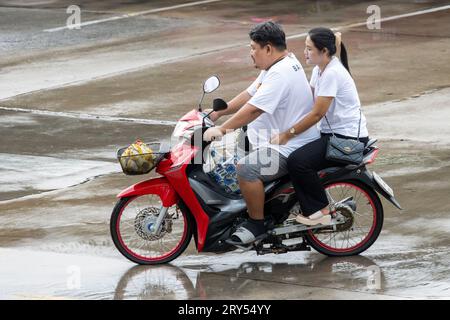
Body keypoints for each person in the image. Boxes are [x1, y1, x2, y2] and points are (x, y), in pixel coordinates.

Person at [203, 21, 319, 244]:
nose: (251, 53)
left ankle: (258, 223)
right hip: (274, 139)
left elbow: (254, 109)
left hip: (288, 147)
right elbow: (250, 95)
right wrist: (218, 113)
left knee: (246, 170)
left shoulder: (280, 73)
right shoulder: (280, 64)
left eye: (253, 48)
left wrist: (222, 129)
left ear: (268, 48)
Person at [270, 27, 369, 226]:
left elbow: (317, 113)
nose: (304, 53)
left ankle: (320, 210)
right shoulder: (320, 69)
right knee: (297, 154)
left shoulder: (332, 73)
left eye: (309, 49)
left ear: (324, 51)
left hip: (347, 140)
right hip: (330, 134)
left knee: (297, 161)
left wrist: (287, 135)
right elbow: (307, 99)